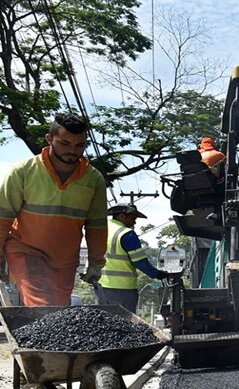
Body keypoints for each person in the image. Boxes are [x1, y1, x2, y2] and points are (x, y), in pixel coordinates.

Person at [0, 113, 107, 306]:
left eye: (79, 146)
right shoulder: (23, 172)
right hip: (26, 250)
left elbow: (96, 226)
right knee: (43, 305)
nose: (72, 151)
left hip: (64, 259)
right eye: (65, 144)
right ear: (49, 139)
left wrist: (96, 262)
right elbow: (2, 217)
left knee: (58, 310)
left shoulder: (94, 179)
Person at [98, 204, 168, 313]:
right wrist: (157, 274)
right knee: (125, 322)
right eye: (133, 218)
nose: (134, 222)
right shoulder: (126, 234)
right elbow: (140, 262)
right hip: (123, 288)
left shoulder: (101, 229)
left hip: (100, 285)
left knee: (103, 320)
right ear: (122, 216)